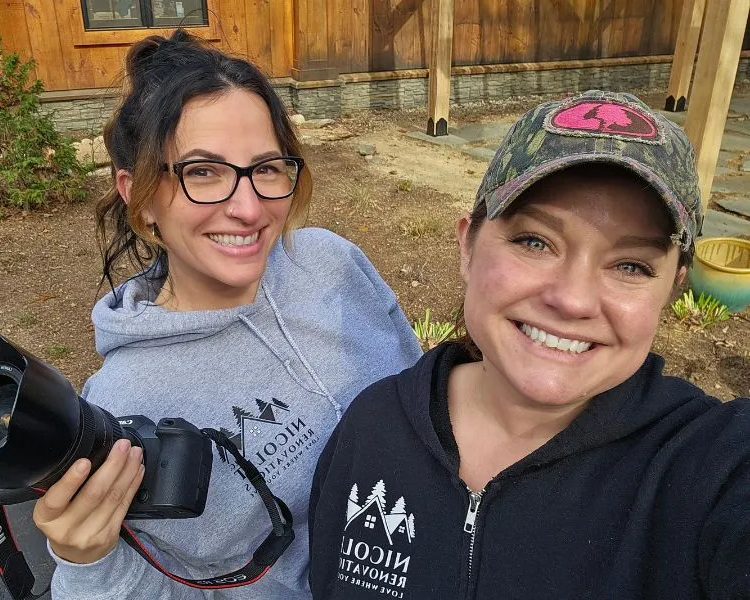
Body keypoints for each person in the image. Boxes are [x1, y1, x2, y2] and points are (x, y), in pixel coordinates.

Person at [308, 90, 750, 599]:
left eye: (631, 266)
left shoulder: (708, 469)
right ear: (468, 246)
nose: (573, 299)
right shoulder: (374, 427)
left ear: (672, 288)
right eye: (535, 242)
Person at [30, 30, 422, 599]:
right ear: (138, 195)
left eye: (266, 168)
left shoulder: (332, 262)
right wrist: (90, 564)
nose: (247, 208)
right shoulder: (124, 409)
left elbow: (422, 399)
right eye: (203, 172)